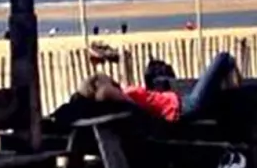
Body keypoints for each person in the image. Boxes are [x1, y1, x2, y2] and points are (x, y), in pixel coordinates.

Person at [76, 51, 243, 124]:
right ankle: (235, 82)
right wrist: (100, 84)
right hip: (184, 107)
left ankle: (232, 83)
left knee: (218, 79)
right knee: (223, 57)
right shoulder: (114, 96)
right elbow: (105, 93)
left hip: (180, 102)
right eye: (99, 77)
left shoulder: (121, 95)